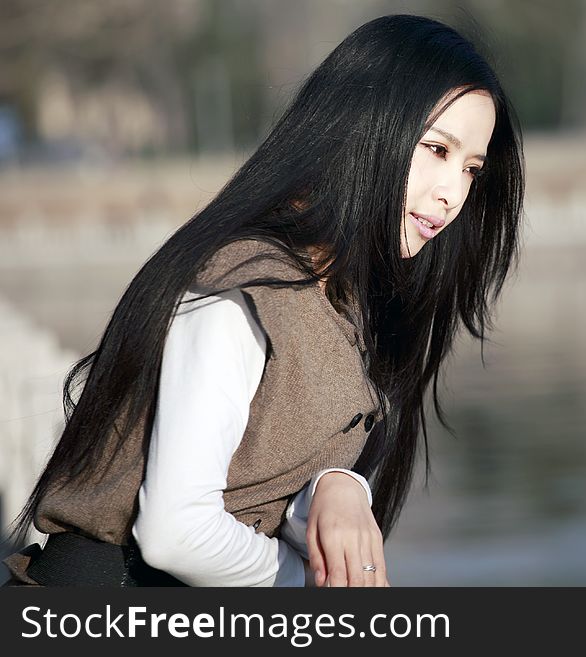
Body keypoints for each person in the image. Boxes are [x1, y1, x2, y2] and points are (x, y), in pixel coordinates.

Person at [3, 13, 524, 587]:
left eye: (471, 168)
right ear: (363, 128)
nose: (452, 193)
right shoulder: (241, 287)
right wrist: (307, 580)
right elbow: (177, 529)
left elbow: (258, 481)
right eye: (435, 149)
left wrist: (339, 487)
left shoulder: (339, 302)